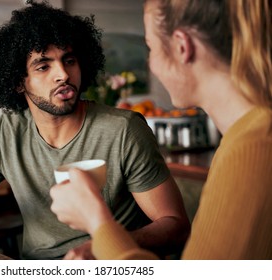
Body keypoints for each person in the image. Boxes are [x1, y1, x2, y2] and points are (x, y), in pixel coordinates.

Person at [0, 1, 190, 260]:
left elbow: (176, 226)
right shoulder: (4, 135)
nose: (63, 74)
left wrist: (107, 246)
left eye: (69, 60)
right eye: (44, 66)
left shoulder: (124, 130)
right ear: (19, 82)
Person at [50, 0, 272, 260]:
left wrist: (97, 221)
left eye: (151, 48)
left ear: (181, 47)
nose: (151, 64)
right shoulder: (242, 138)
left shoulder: (254, 148)